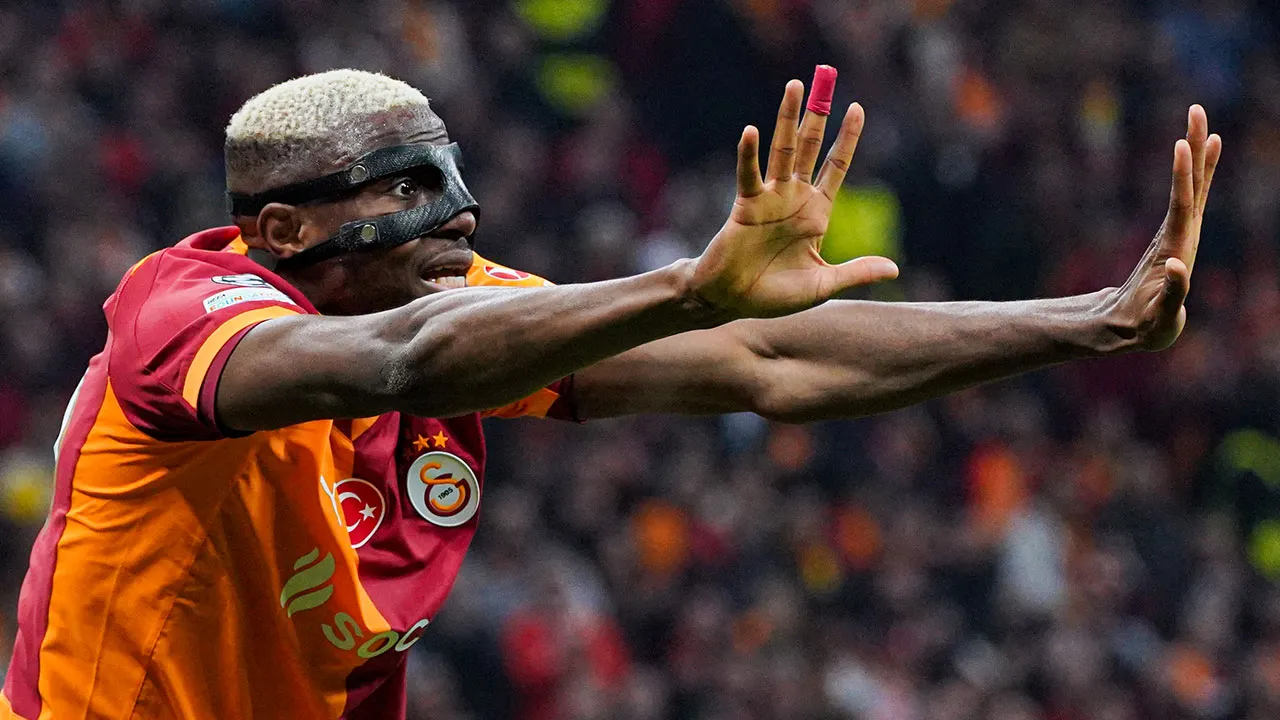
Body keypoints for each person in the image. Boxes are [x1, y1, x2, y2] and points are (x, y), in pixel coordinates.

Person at [0, 68, 1220, 719]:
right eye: (407, 187)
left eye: (454, 177)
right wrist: (686, 287)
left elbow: (770, 361)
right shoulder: (177, 316)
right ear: (281, 230)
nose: (458, 215)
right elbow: (399, 360)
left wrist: (1091, 323)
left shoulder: (465, 303)